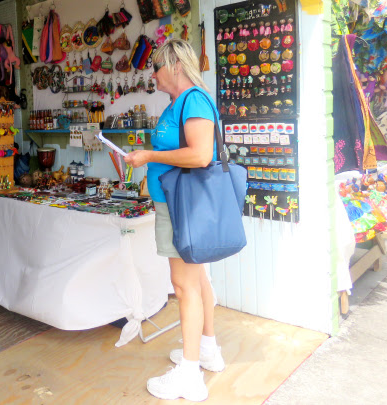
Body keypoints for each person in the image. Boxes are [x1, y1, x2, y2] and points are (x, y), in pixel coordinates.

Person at [124, 39, 224, 402]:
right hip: (179, 203)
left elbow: (200, 155)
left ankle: (189, 376)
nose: (153, 74)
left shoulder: (193, 100)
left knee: (183, 287)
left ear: (176, 65)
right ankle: (207, 349)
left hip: (182, 205)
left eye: (157, 67)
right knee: (197, 280)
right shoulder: (180, 102)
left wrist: (149, 156)